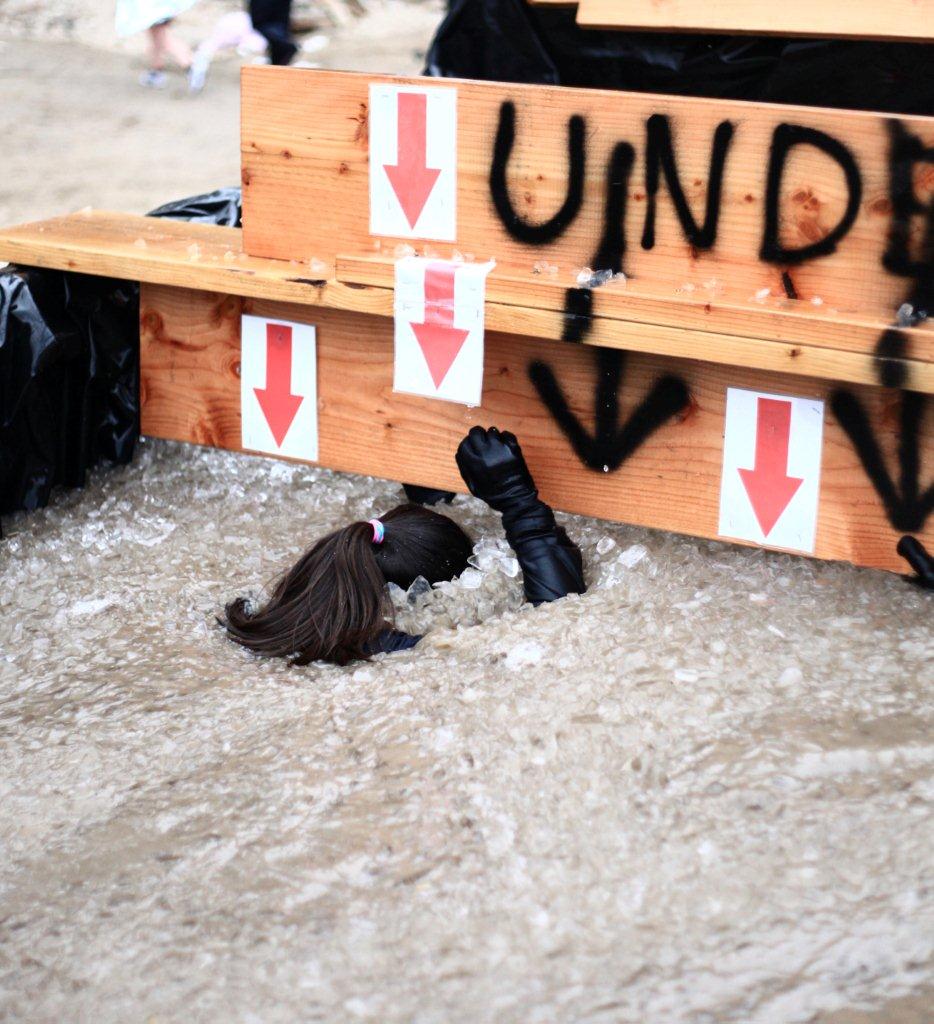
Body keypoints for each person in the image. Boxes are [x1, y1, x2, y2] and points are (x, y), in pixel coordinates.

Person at [224, 427, 587, 664]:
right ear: (428, 599)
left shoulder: (252, 617)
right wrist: (518, 502)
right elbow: (557, 618)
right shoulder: (395, 650)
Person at [115, 1, 197, 88]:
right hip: (157, 8)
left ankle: (190, 65)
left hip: (155, 9)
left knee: (162, 40)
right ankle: (156, 70)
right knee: (157, 39)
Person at [248, 0, 297, 67]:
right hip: (267, 23)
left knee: (280, 50)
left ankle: (276, 70)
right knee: (286, 48)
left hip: (278, 23)